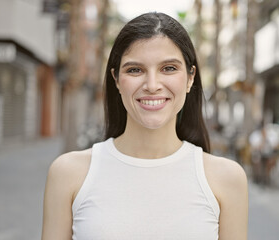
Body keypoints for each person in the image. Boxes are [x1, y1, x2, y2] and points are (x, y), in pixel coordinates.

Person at [42, 12, 248, 240]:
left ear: (190, 78)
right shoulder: (68, 173)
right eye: (135, 70)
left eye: (168, 68)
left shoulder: (227, 179)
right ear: (117, 80)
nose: (152, 85)